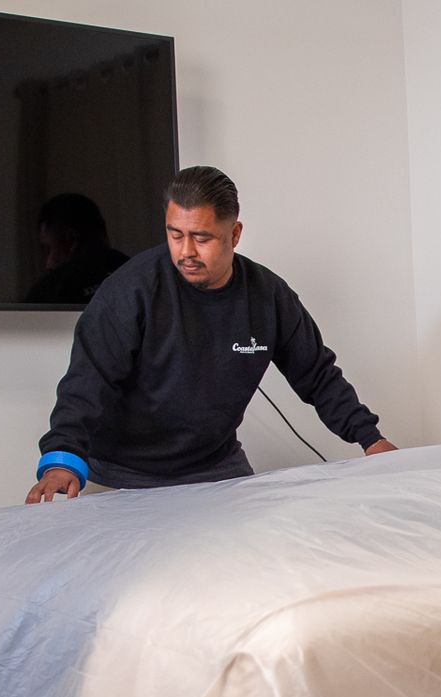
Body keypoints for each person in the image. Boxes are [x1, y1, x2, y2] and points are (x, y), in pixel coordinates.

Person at [27, 166, 395, 501]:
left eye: (201, 238)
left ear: (234, 234)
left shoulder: (267, 296)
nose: (186, 251)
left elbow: (317, 375)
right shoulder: (130, 290)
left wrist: (370, 439)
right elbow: (88, 381)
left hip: (216, 469)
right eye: (175, 235)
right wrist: (63, 460)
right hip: (123, 474)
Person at [23, 192, 129, 305]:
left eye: (49, 250)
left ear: (71, 240)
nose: (48, 264)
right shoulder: (140, 275)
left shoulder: (47, 294)